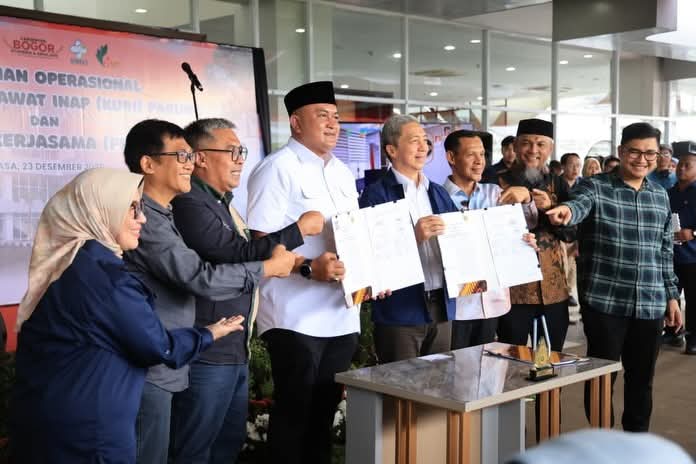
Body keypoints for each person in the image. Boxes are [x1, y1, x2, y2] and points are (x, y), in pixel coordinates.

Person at [9, 168, 246, 463]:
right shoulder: (105, 280)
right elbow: (159, 347)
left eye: (141, 207)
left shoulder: (69, 264)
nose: (142, 219)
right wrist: (209, 334)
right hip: (89, 435)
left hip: (49, 422)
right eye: (132, 208)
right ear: (101, 210)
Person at [121, 119, 296, 464]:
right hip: (162, 360)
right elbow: (200, 277)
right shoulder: (149, 217)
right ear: (148, 164)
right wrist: (269, 266)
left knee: (214, 448)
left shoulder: (169, 211)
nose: (189, 163)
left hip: (186, 352)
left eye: (190, 155)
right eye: (182, 156)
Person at [167, 118, 324, 463]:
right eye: (232, 151)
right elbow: (233, 252)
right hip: (208, 350)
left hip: (233, 346)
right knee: (194, 449)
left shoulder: (220, 202)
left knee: (227, 445)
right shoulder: (189, 201)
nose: (240, 159)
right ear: (200, 157)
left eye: (242, 152)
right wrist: (298, 230)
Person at [246, 81, 360, 464]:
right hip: (294, 316)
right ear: (296, 123)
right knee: (294, 416)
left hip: (341, 314)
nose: (332, 124)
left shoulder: (342, 172)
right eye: (321, 115)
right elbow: (261, 242)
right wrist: (308, 267)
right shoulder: (276, 168)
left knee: (323, 418)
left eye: (336, 117)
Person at [547, 122, 682, 432]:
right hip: (605, 302)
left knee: (642, 381)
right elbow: (578, 205)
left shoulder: (660, 196)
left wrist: (672, 296)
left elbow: (665, 251)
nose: (642, 159)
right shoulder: (595, 187)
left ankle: (635, 442)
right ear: (621, 151)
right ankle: (602, 441)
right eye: (635, 151)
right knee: (600, 380)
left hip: (649, 303)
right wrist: (567, 211)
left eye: (650, 153)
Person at [359, 114, 458, 362]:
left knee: (440, 381)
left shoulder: (437, 192)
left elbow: (461, 238)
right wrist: (412, 237)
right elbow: (367, 252)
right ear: (391, 150)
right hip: (400, 309)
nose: (423, 147)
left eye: (425, 140)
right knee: (401, 382)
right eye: (414, 141)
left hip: (441, 305)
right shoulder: (375, 195)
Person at [442, 129, 538, 349]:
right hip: (456, 305)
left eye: (482, 155)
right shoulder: (437, 197)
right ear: (451, 157)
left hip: (492, 302)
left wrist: (524, 240)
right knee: (456, 364)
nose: (479, 162)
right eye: (471, 155)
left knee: (487, 363)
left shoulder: (495, 194)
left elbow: (528, 223)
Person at [496, 118, 572, 354]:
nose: (533, 150)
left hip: (553, 291)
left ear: (550, 148)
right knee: (511, 360)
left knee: (547, 360)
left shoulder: (559, 184)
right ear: (515, 146)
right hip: (512, 294)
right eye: (526, 143)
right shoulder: (496, 181)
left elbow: (571, 233)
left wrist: (551, 208)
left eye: (540, 144)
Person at [668, 150, 696, 354]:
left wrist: (693, 233)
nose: (682, 169)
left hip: (693, 256)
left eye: (688, 165)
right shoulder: (669, 193)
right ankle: (673, 332)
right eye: (680, 165)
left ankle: (693, 338)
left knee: (693, 300)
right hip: (670, 255)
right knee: (670, 296)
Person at [560, 152, 581, 313]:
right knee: (562, 265)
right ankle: (564, 293)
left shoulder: (582, 186)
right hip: (559, 233)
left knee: (572, 265)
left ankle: (569, 292)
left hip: (576, 234)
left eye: (578, 165)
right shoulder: (556, 184)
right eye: (572, 165)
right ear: (563, 166)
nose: (575, 169)